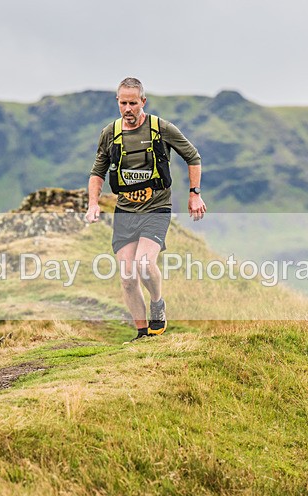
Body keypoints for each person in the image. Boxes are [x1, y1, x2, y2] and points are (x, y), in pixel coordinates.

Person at [85, 77, 207, 342]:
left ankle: (157, 303)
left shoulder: (161, 128)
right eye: (123, 103)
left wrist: (194, 194)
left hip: (156, 208)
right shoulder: (110, 133)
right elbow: (97, 172)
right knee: (128, 277)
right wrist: (93, 204)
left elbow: (193, 156)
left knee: (143, 263)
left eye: (133, 103)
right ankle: (143, 335)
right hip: (126, 212)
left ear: (143, 102)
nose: (128, 109)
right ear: (117, 102)